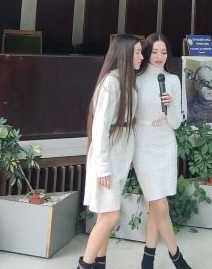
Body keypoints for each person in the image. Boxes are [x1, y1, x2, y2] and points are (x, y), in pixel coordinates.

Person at [78, 34, 143, 269]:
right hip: (108, 158)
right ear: (125, 54)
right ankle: (85, 265)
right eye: (137, 52)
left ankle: (99, 263)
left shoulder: (125, 82)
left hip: (119, 155)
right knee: (111, 216)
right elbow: (100, 128)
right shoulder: (111, 83)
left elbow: (127, 125)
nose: (141, 57)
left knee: (105, 215)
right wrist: (103, 167)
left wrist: (129, 156)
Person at [133, 33, 192, 269]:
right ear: (147, 52)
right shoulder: (136, 80)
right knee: (160, 204)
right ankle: (176, 256)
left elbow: (176, 123)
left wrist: (170, 106)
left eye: (164, 52)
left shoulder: (173, 80)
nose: (159, 57)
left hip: (166, 142)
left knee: (155, 203)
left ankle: (147, 258)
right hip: (143, 144)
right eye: (155, 52)